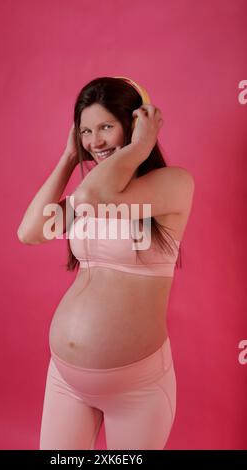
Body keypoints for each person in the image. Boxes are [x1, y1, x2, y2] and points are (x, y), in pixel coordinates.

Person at [17, 76, 195, 450]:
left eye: (105, 127)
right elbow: (30, 231)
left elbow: (96, 193)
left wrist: (142, 145)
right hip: (66, 382)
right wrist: (68, 158)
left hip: (137, 392)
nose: (94, 141)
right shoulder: (86, 200)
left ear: (133, 123)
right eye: (85, 131)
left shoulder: (174, 183)